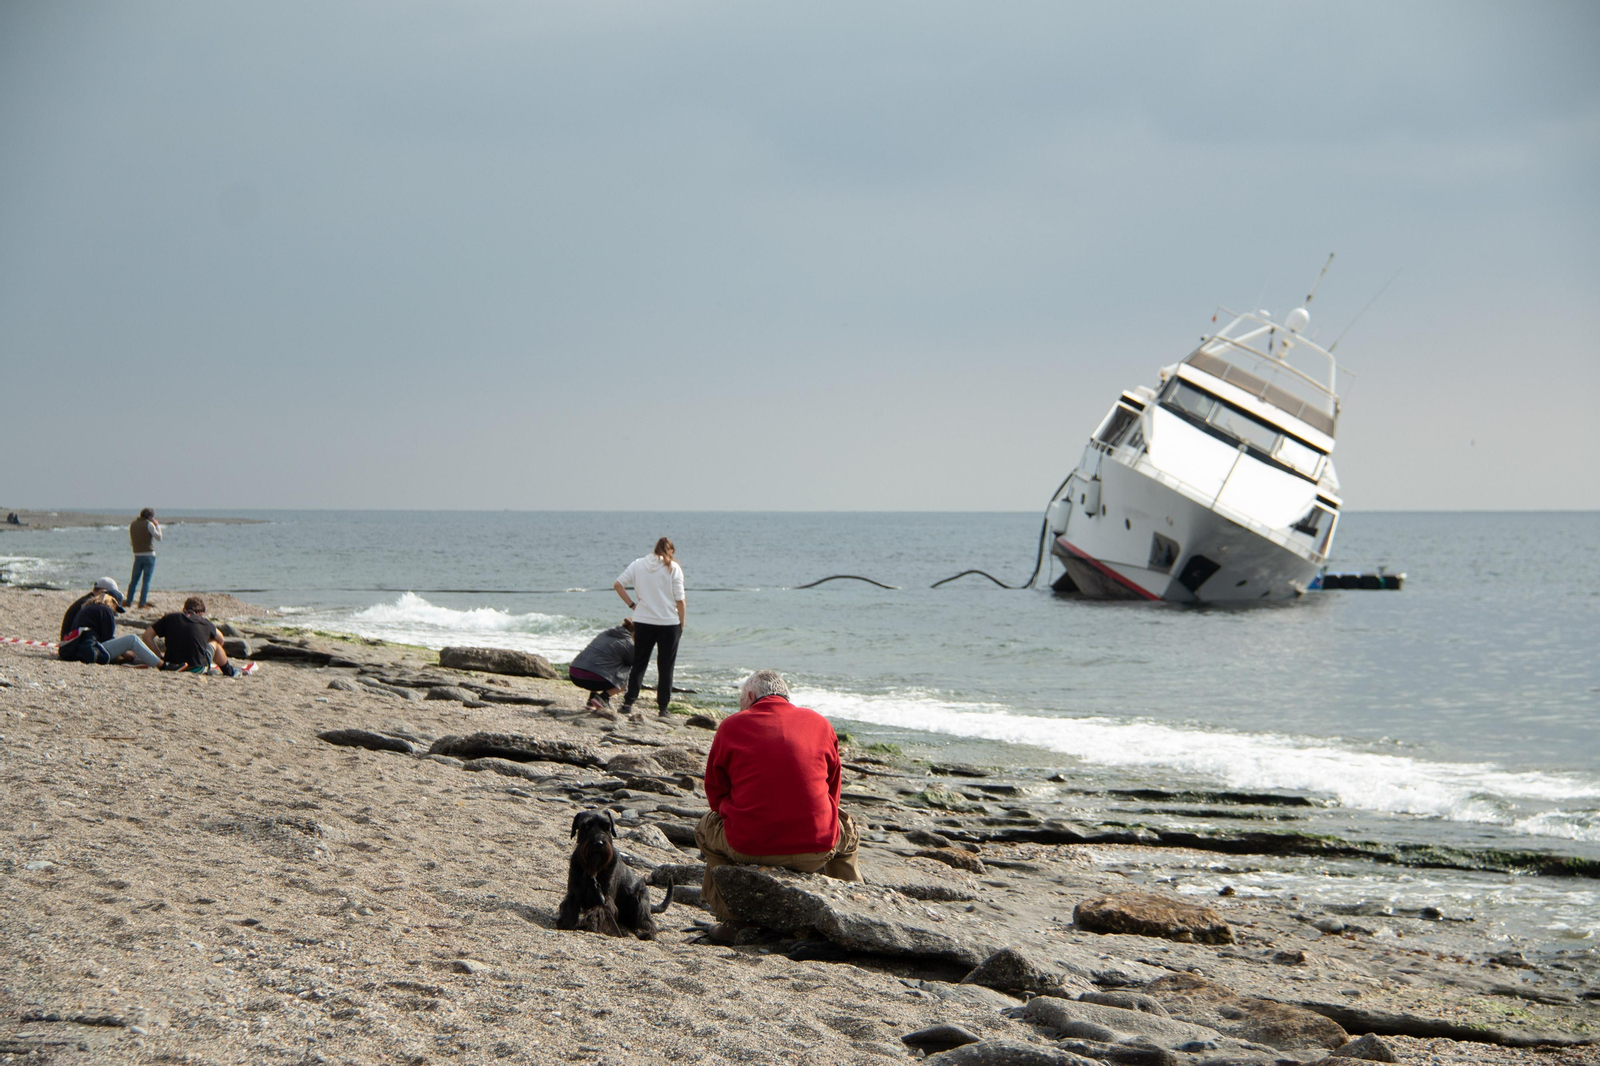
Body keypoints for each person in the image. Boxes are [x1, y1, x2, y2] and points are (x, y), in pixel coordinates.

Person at [694, 670, 861, 943]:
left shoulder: (732, 726)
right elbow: (833, 791)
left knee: (705, 829)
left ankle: (734, 920)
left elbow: (715, 796)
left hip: (749, 847)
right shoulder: (820, 723)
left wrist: (739, 809)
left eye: (740, 700)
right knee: (849, 832)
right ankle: (848, 916)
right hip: (817, 848)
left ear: (750, 696)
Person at [613, 537, 686, 716]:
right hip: (669, 623)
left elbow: (618, 584)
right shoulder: (673, 568)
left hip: (643, 621)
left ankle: (628, 703)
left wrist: (632, 605)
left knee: (639, 663)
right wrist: (682, 622)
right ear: (670, 551)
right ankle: (663, 708)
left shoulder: (638, 564)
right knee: (666, 666)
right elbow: (680, 600)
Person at [57, 578, 162, 667]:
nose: (115, 612)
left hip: (76, 649)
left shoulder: (89, 606)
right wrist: (124, 651)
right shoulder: (105, 610)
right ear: (112, 602)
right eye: (116, 609)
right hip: (89, 652)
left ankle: (135, 660)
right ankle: (161, 664)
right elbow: (108, 637)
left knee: (128, 646)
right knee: (132, 639)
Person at [143, 596, 253, 676]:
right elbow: (221, 639)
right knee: (215, 643)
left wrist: (159, 656)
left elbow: (147, 636)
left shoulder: (170, 617)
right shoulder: (204, 622)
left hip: (171, 664)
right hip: (197, 667)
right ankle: (228, 671)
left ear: (184, 610)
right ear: (201, 613)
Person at [568, 619, 635, 711]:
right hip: (594, 679)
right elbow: (636, 664)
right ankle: (603, 697)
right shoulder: (628, 643)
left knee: (597, 662)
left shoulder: (604, 634)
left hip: (574, 673)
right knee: (634, 674)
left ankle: (592, 698)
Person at [127, 508, 162, 609]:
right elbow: (159, 537)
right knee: (146, 581)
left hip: (137, 554)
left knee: (134, 580)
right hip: (149, 554)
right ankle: (142, 603)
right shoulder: (149, 524)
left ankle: (129, 600)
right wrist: (157, 525)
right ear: (150, 517)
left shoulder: (133, 524)